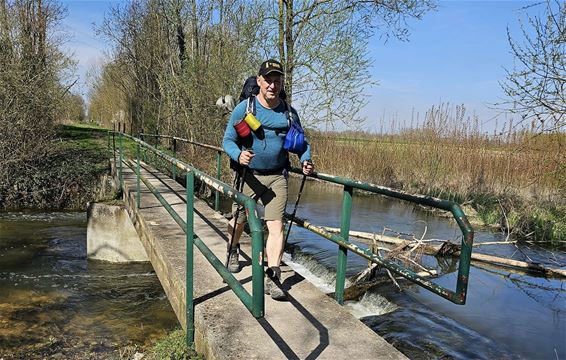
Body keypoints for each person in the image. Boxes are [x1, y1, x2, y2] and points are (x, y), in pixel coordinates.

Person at [222, 59, 314, 300]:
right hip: (247, 176)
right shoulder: (245, 108)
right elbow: (228, 140)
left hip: (277, 177)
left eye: (277, 80)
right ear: (259, 81)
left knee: (276, 226)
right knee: (238, 221)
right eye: (268, 80)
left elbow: (301, 143)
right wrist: (238, 154)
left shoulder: (289, 113)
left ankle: (274, 276)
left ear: (281, 83)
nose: (273, 85)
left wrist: (306, 160)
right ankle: (232, 249)